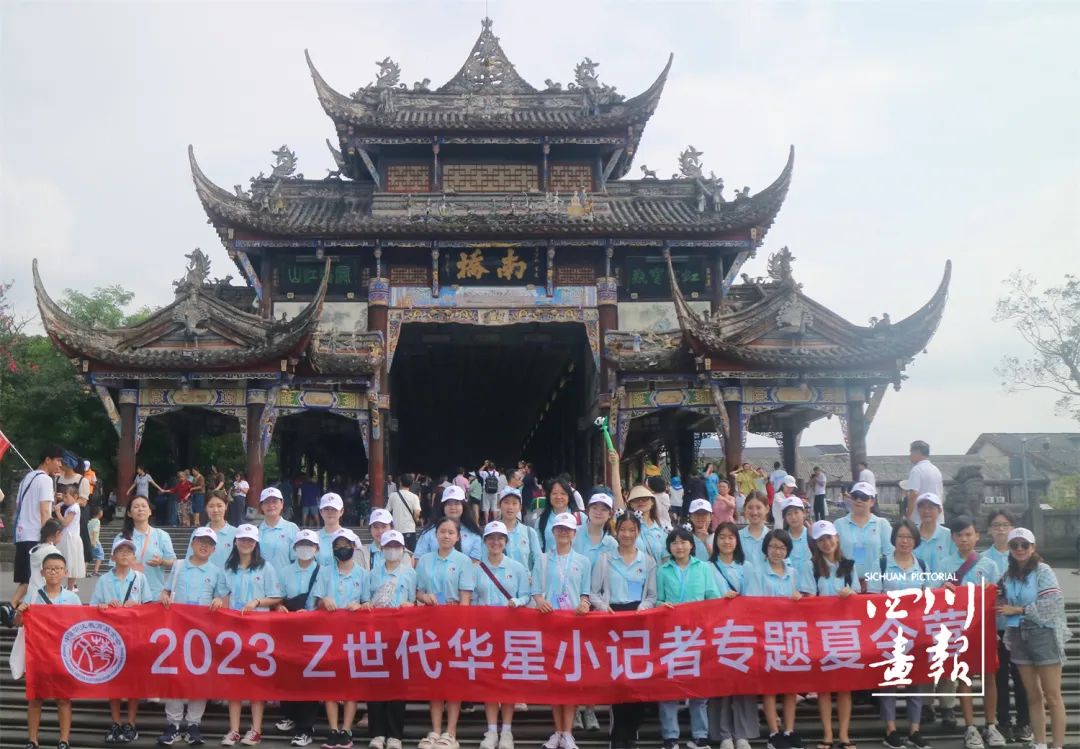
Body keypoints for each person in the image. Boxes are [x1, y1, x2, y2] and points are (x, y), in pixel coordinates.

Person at [997, 527, 1069, 749]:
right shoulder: (1007, 576)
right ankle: (1039, 743)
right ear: (1009, 548)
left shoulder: (1043, 571)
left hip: (1043, 634)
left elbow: (1053, 604)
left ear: (1033, 547)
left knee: (1052, 695)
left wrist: (1019, 610)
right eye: (1014, 545)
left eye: (1024, 545)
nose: (1020, 549)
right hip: (1018, 635)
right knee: (1033, 695)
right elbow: (998, 600)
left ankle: (1057, 745)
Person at [158, 527, 227, 747]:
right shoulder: (178, 566)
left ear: (214, 549)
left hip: (203, 633)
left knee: (200, 677)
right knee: (175, 676)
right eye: (200, 541)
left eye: (209, 543)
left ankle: (194, 724)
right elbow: (166, 590)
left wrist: (219, 601)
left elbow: (223, 599)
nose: (204, 546)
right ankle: (173, 724)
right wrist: (163, 595)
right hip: (178, 630)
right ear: (193, 543)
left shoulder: (216, 572)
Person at [592, 513, 657, 749]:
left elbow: (652, 595)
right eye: (623, 530)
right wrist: (603, 607)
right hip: (613, 621)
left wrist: (643, 607)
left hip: (638, 623)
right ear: (616, 531)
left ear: (638, 532)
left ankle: (631, 731)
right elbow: (594, 592)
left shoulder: (647, 561)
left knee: (638, 680)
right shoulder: (605, 559)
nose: (627, 534)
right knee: (618, 679)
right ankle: (618, 735)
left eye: (632, 530)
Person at [865, 520, 932, 749]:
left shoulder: (922, 565)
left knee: (916, 680)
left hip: (915, 632)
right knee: (888, 681)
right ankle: (891, 729)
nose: (905, 541)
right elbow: (872, 599)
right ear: (894, 538)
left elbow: (929, 598)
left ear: (915, 541)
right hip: (889, 631)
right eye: (901, 536)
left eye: (909, 537)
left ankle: (915, 730)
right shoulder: (881, 564)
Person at [217, 524, 283, 746]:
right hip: (233, 630)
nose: (246, 543)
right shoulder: (227, 568)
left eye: (250, 540)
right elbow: (222, 595)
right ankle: (234, 730)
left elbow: (276, 596)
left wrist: (257, 601)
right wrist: (218, 601)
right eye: (242, 539)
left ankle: (256, 730)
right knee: (234, 680)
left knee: (256, 680)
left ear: (256, 544)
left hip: (258, 632)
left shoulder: (265, 568)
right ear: (235, 542)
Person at [939, 516, 1001, 749]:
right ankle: (970, 727)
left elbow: (999, 597)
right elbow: (933, 599)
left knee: (989, 676)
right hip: (958, 630)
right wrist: (942, 589)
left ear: (977, 536)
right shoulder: (944, 565)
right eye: (959, 535)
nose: (964, 539)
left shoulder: (989, 565)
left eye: (968, 534)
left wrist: (992, 591)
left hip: (984, 628)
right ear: (953, 538)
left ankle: (991, 725)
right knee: (964, 677)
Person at [656, 527, 720, 749]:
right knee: (669, 685)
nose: (679, 546)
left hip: (697, 634)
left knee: (698, 685)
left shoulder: (703, 568)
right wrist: (661, 605)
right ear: (669, 547)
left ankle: (700, 735)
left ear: (691, 545)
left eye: (683, 542)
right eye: (674, 543)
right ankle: (670, 736)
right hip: (670, 634)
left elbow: (712, 597)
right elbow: (658, 599)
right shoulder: (662, 570)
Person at [416, 517, 476, 749]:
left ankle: (450, 732)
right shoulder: (425, 560)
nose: (446, 536)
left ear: (458, 537)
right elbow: (418, 591)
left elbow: (466, 598)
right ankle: (435, 730)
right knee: (434, 676)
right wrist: (425, 597)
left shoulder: (463, 561)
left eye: (451, 532)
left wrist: (460, 628)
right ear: (436, 534)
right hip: (430, 625)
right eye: (442, 531)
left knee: (453, 678)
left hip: (454, 626)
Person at [532, 513, 591, 749]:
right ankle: (558, 731)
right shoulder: (543, 559)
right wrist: (539, 601)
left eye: (568, 529)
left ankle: (568, 733)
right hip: (550, 625)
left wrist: (584, 603)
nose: (564, 533)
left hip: (574, 627)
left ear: (574, 533)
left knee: (571, 680)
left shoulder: (583, 561)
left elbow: (585, 593)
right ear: (553, 532)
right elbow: (536, 591)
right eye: (560, 529)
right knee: (554, 680)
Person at [474, 521, 532, 749]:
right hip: (485, 633)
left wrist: (517, 601)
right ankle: (491, 731)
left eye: (500, 538)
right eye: (491, 538)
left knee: (508, 681)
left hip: (510, 632)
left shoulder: (517, 567)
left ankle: (506, 731)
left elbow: (526, 595)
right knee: (490, 681)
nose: (495, 542)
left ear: (506, 542)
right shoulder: (477, 568)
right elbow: (473, 599)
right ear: (485, 541)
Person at [92, 536, 155, 744]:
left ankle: (131, 722)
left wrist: (136, 606)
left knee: (133, 681)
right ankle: (116, 721)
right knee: (113, 680)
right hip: (110, 639)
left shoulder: (140, 578)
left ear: (134, 556)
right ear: (113, 556)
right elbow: (93, 607)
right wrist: (102, 606)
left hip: (134, 637)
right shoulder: (104, 580)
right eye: (121, 551)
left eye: (129, 551)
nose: (125, 554)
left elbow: (149, 608)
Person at [746, 529, 803, 749]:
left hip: (790, 634)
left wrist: (797, 599)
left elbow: (801, 603)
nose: (777, 551)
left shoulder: (793, 572)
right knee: (770, 685)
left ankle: (789, 730)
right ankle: (773, 733)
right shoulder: (757, 572)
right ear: (766, 548)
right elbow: (753, 604)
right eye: (773, 547)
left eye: (782, 547)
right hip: (767, 634)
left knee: (791, 686)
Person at [17, 553, 80, 749]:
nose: (53, 572)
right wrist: (20, 612)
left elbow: (81, 625)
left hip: (63, 656)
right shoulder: (33, 596)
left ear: (65, 572)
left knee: (63, 699)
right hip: (38, 655)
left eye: (58, 568)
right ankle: (32, 740)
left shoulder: (72, 598)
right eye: (49, 568)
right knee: (35, 698)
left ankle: (64, 740)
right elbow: (19, 623)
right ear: (42, 572)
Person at [315, 528, 371, 749]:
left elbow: (368, 603)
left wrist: (360, 605)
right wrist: (324, 601)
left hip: (353, 636)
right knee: (330, 683)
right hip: (329, 636)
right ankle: (333, 729)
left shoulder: (363, 574)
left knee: (350, 683)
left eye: (346, 545)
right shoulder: (325, 572)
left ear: (354, 547)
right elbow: (317, 601)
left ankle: (346, 729)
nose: (342, 549)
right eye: (337, 546)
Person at [981, 511, 1032, 745]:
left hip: (1021, 627)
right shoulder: (983, 560)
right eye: (996, 525)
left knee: (1022, 677)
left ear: (1012, 528)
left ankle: (1024, 722)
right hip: (996, 629)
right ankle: (1003, 722)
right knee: (998, 679)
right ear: (989, 530)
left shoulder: (1023, 556)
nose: (1001, 529)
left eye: (1005, 524)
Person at [706, 522, 755, 749]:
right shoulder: (708, 567)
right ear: (716, 541)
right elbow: (706, 596)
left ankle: (742, 733)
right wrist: (720, 599)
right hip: (718, 630)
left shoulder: (747, 566)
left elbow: (754, 597)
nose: (726, 541)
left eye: (731, 537)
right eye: (722, 537)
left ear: (737, 540)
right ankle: (723, 733)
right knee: (720, 683)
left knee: (743, 683)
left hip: (743, 630)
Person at [808, 521, 857, 749]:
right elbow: (809, 599)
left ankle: (844, 734)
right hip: (821, 633)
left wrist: (851, 593)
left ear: (836, 537)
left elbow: (858, 597)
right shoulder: (811, 566)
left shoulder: (849, 565)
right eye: (821, 540)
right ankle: (828, 733)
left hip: (845, 633)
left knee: (845, 687)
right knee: (824, 687)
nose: (826, 543)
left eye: (829, 537)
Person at [367, 530, 416, 749]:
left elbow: (414, 600)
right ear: (382, 549)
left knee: (398, 685)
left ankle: (395, 735)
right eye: (388, 546)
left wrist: (410, 605)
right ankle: (377, 733)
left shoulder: (410, 573)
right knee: (375, 683)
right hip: (376, 635)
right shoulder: (373, 574)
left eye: (397, 546)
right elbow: (366, 600)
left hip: (401, 634)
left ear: (403, 549)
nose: (392, 550)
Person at [273, 528, 322, 747]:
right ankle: (289, 714)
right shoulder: (284, 571)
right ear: (294, 548)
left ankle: (306, 727)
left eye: (309, 545)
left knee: (309, 677)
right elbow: (277, 597)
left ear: (317, 549)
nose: (305, 548)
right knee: (288, 672)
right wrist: (279, 607)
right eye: (301, 544)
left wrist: (312, 612)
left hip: (313, 630)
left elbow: (324, 600)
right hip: (289, 629)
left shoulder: (323, 571)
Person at [12, 445, 65, 608]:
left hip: (22, 534)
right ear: (47, 460)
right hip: (36, 535)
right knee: (37, 578)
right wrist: (49, 538)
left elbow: (19, 506)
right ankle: (13, 607)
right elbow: (44, 512)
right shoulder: (45, 480)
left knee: (26, 579)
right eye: (58, 460)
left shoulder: (27, 479)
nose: (60, 465)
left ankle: (14, 608)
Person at [833, 481, 893, 585]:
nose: (858, 500)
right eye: (855, 496)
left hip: (875, 584)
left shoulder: (882, 524)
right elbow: (833, 556)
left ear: (872, 501)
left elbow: (890, 555)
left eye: (864, 497)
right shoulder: (838, 524)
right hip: (846, 584)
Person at [123, 495, 177, 598]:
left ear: (150, 511)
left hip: (154, 594)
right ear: (129, 513)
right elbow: (114, 566)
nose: (140, 509)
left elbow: (173, 563)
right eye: (136, 507)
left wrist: (162, 562)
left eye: (144, 506)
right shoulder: (122, 537)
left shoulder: (161, 535)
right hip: (127, 594)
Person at [414, 485, 483, 562]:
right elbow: (418, 559)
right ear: (443, 507)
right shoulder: (429, 532)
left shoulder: (473, 533)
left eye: (457, 503)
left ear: (463, 506)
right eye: (448, 504)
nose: (453, 507)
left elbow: (476, 561)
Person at [496, 487, 543, 577]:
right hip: (499, 583)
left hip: (526, 583)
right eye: (506, 502)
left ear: (520, 507)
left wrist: (534, 578)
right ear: (499, 505)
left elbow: (539, 561)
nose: (510, 507)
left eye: (514, 503)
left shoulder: (529, 533)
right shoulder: (492, 532)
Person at [534, 478, 585, 554]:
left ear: (569, 496)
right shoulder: (541, 520)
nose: (558, 497)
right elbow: (538, 549)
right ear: (549, 496)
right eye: (554, 493)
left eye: (563, 493)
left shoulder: (580, 517)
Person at [257, 486, 299, 575]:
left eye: (274, 501)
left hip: (285, 580)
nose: (271, 505)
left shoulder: (292, 528)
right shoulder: (256, 531)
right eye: (266, 502)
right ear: (261, 506)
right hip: (260, 581)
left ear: (282, 504)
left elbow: (297, 560)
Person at [778, 497, 816, 595]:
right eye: (789, 514)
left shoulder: (812, 536)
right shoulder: (781, 540)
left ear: (804, 513)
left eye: (796, 512)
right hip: (786, 593)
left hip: (810, 593)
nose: (793, 517)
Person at [190, 490, 236, 568]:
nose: (215, 510)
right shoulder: (197, 533)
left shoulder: (236, 533)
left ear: (226, 506)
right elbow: (190, 559)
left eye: (219, 506)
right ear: (206, 508)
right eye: (211, 506)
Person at [913, 493, 955, 574]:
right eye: (922, 507)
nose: (926, 511)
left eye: (931, 507)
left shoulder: (949, 535)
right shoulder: (911, 534)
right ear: (918, 510)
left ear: (939, 510)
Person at [55, 485, 86, 592]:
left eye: (66, 497)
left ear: (75, 496)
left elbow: (65, 523)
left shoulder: (73, 508)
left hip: (70, 538)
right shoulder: (72, 506)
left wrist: (58, 512)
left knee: (70, 562)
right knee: (69, 562)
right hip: (69, 537)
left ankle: (69, 587)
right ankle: (69, 587)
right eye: (64, 497)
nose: (64, 499)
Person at [905, 441, 944, 523]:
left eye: (911, 452)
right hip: (936, 516)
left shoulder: (917, 470)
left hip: (920, 518)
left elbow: (914, 494)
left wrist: (908, 517)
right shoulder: (936, 470)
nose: (910, 456)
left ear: (917, 452)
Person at [625, 485, 666, 564]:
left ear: (652, 502)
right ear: (631, 504)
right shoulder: (626, 526)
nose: (640, 501)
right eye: (636, 499)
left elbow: (666, 558)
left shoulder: (662, 528)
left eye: (645, 498)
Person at [738, 492, 770, 577]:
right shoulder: (737, 537)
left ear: (767, 509)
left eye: (758, 507)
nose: (754, 512)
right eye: (750, 508)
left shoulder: (773, 537)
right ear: (745, 509)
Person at [387, 473, 422, 550]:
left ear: (400, 482)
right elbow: (417, 513)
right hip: (409, 529)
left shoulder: (393, 496)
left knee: (396, 552)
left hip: (396, 530)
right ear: (411, 484)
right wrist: (416, 520)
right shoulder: (414, 497)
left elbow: (387, 511)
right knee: (410, 553)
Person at [88, 504, 104, 576]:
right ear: (99, 513)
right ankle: (95, 570)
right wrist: (94, 542)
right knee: (100, 554)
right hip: (95, 541)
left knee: (88, 555)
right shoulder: (97, 521)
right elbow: (95, 531)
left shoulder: (90, 521)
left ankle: (84, 570)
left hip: (88, 540)